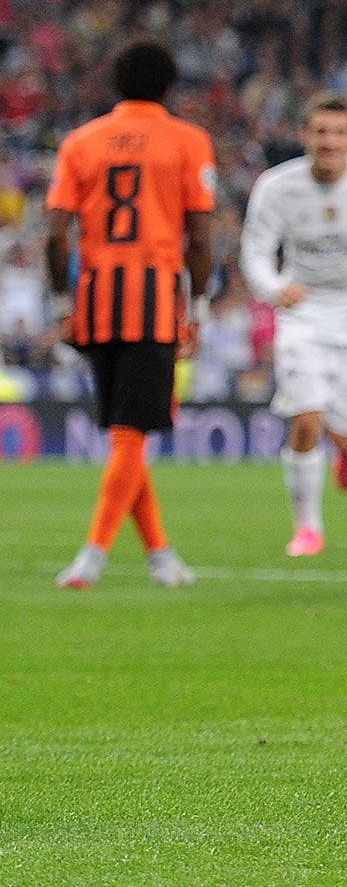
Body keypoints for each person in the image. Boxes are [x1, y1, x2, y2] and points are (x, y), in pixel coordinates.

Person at [46, 41, 216, 589]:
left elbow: (55, 234)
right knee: (130, 434)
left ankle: (161, 555)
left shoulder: (80, 142)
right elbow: (201, 238)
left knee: (127, 434)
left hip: (97, 302)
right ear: (170, 87)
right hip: (155, 301)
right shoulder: (189, 141)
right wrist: (201, 306)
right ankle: (94, 554)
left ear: (115, 84)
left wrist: (61, 304)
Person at [241, 97, 347, 557]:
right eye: (320, 132)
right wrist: (274, 287)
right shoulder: (277, 187)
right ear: (305, 136)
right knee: (306, 416)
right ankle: (308, 528)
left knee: (344, 428)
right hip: (305, 311)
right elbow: (255, 250)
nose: (330, 142)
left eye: (339, 133)